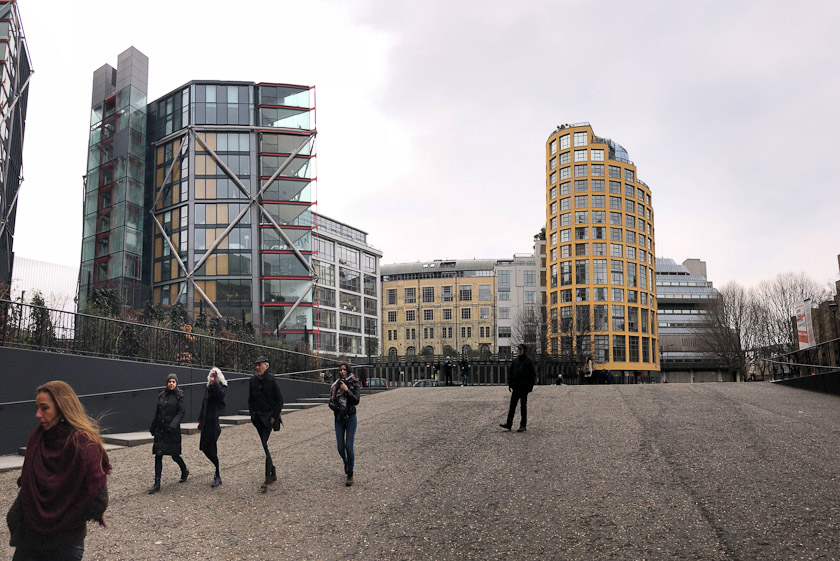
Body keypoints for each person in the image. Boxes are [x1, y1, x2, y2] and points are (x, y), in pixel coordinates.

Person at [7, 380, 111, 560]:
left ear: (62, 408)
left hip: (64, 545)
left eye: (44, 408)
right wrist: (15, 516)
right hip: (30, 540)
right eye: (37, 407)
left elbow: (98, 500)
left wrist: (61, 520)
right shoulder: (38, 439)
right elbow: (29, 486)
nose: (38, 414)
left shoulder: (84, 445)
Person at [148, 373, 188, 494]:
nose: (171, 383)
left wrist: (173, 425)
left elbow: (181, 412)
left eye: (173, 382)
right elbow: (158, 412)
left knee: (174, 455)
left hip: (172, 431)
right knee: (158, 456)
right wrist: (153, 426)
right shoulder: (161, 395)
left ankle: (184, 470)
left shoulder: (179, 396)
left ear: (176, 384)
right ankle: (157, 483)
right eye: (169, 381)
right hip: (160, 430)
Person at [249, 355, 284, 490]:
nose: (257, 367)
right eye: (256, 365)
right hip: (258, 419)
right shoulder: (253, 381)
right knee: (265, 446)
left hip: (269, 418)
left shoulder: (271, 380)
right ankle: (273, 471)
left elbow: (280, 400)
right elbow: (250, 400)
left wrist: (274, 417)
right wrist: (252, 415)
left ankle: (267, 476)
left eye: (260, 365)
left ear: (266, 366)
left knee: (264, 444)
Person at [328, 362, 361, 486]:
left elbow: (356, 400)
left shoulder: (354, 382)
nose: (342, 371)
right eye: (340, 370)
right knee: (340, 447)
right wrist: (336, 409)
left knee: (349, 446)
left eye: (344, 369)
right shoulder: (335, 385)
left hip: (351, 418)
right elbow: (330, 401)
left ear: (348, 370)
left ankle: (350, 473)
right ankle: (346, 461)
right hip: (339, 419)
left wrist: (347, 391)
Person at [199, 367, 227, 488]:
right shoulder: (208, 388)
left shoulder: (221, 387)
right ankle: (217, 470)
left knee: (212, 448)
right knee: (204, 448)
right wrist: (200, 419)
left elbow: (220, 395)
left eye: (214, 375)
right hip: (206, 422)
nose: (211, 377)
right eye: (211, 375)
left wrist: (215, 383)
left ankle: (217, 474)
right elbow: (203, 404)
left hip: (213, 423)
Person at [500, 344, 537, 432]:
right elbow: (511, 373)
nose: (519, 351)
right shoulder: (515, 361)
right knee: (512, 406)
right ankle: (509, 424)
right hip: (516, 387)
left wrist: (530, 387)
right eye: (518, 349)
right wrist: (510, 384)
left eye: (520, 349)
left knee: (523, 407)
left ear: (524, 350)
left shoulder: (528, 361)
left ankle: (523, 425)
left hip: (524, 388)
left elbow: (532, 375)